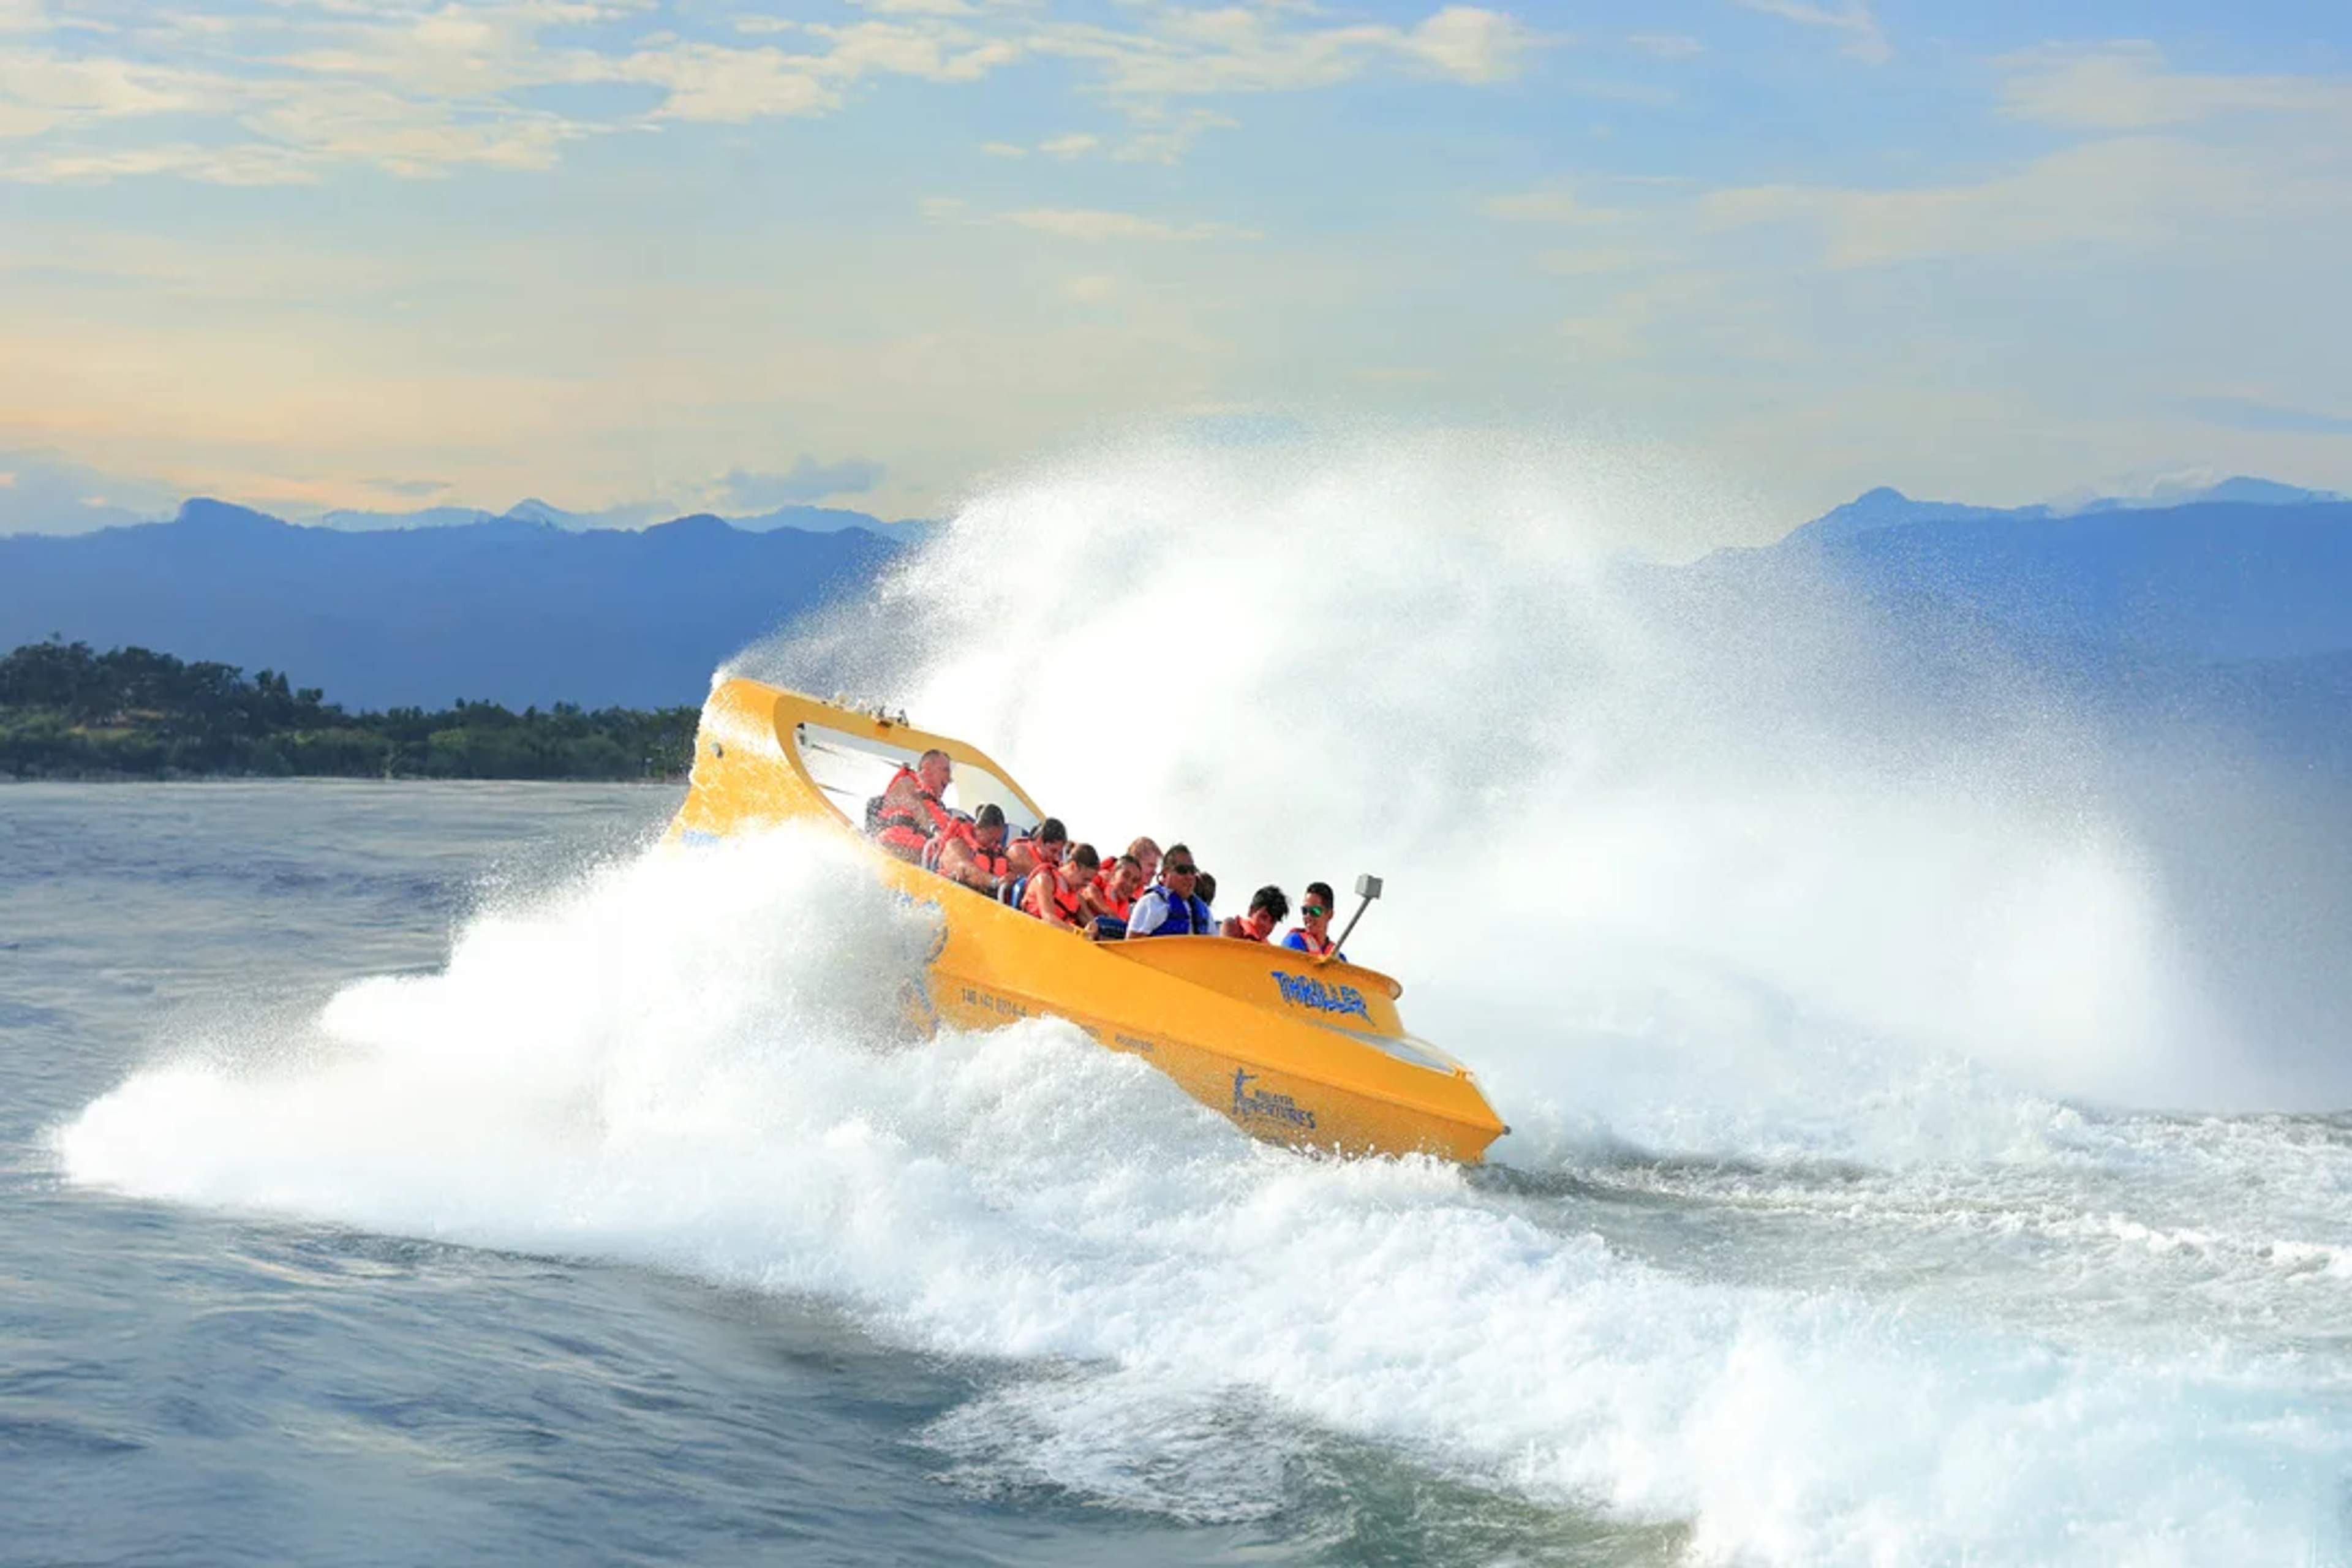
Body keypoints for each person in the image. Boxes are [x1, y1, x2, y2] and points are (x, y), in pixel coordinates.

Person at [873, 748, 954, 864]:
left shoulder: (940, 808)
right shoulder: (907, 782)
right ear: (927, 768)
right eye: (945, 770)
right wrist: (935, 829)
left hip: (927, 861)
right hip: (897, 849)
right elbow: (915, 805)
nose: (950, 779)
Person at [1125, 844, 1212, 938]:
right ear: (1166, 873)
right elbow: (1132, 945)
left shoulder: (1204, 911)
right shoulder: (1151, 903)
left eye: (1193, 871)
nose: (1189, 877)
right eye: (1182, 870)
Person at [932, 802, 1011, 895]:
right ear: (977, 828)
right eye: (991, 839)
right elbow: (965, 869)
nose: (994, 845)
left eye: (997, 841)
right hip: (950, 896)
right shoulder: (956, 845)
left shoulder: (996, 852)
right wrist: (995, 882)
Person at [1025, 842, 1099, 931]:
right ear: (1073, 866)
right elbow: (1049, 918)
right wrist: (1078, 935)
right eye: (1085, 879)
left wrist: (1093, 929)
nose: (1086, 885)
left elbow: (1091, 924)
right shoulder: (1045, 880)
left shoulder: (1077, 897)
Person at [1283, 881, 1344, 959]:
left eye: (1315, 911)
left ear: (1330, 914)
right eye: (1305, 910)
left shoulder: (1339, 957)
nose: (1308, 916)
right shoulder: (1294, 942)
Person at [1220, 884, 1289, 942]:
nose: (1267, 926)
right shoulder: (1232, 926)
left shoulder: (1269, 949)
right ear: (1251, 911)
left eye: (1273, 921)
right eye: (1263, 917)